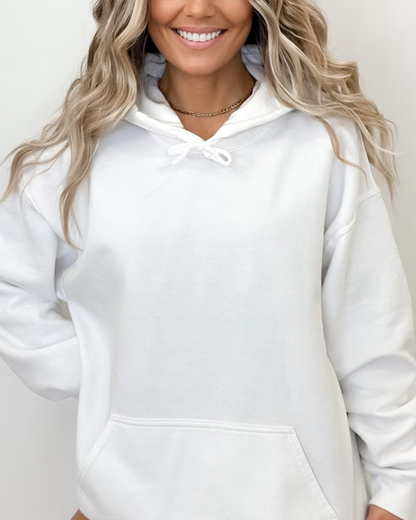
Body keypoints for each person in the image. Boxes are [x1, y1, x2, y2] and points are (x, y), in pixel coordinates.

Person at [0, 1, 415, 519]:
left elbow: (373, 334)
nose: (198, 9)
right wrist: (106, 373)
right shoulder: (83, 150)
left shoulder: (323, 145)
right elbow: (10, 286)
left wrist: (399, 490)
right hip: (128, 502)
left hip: (299, 504)